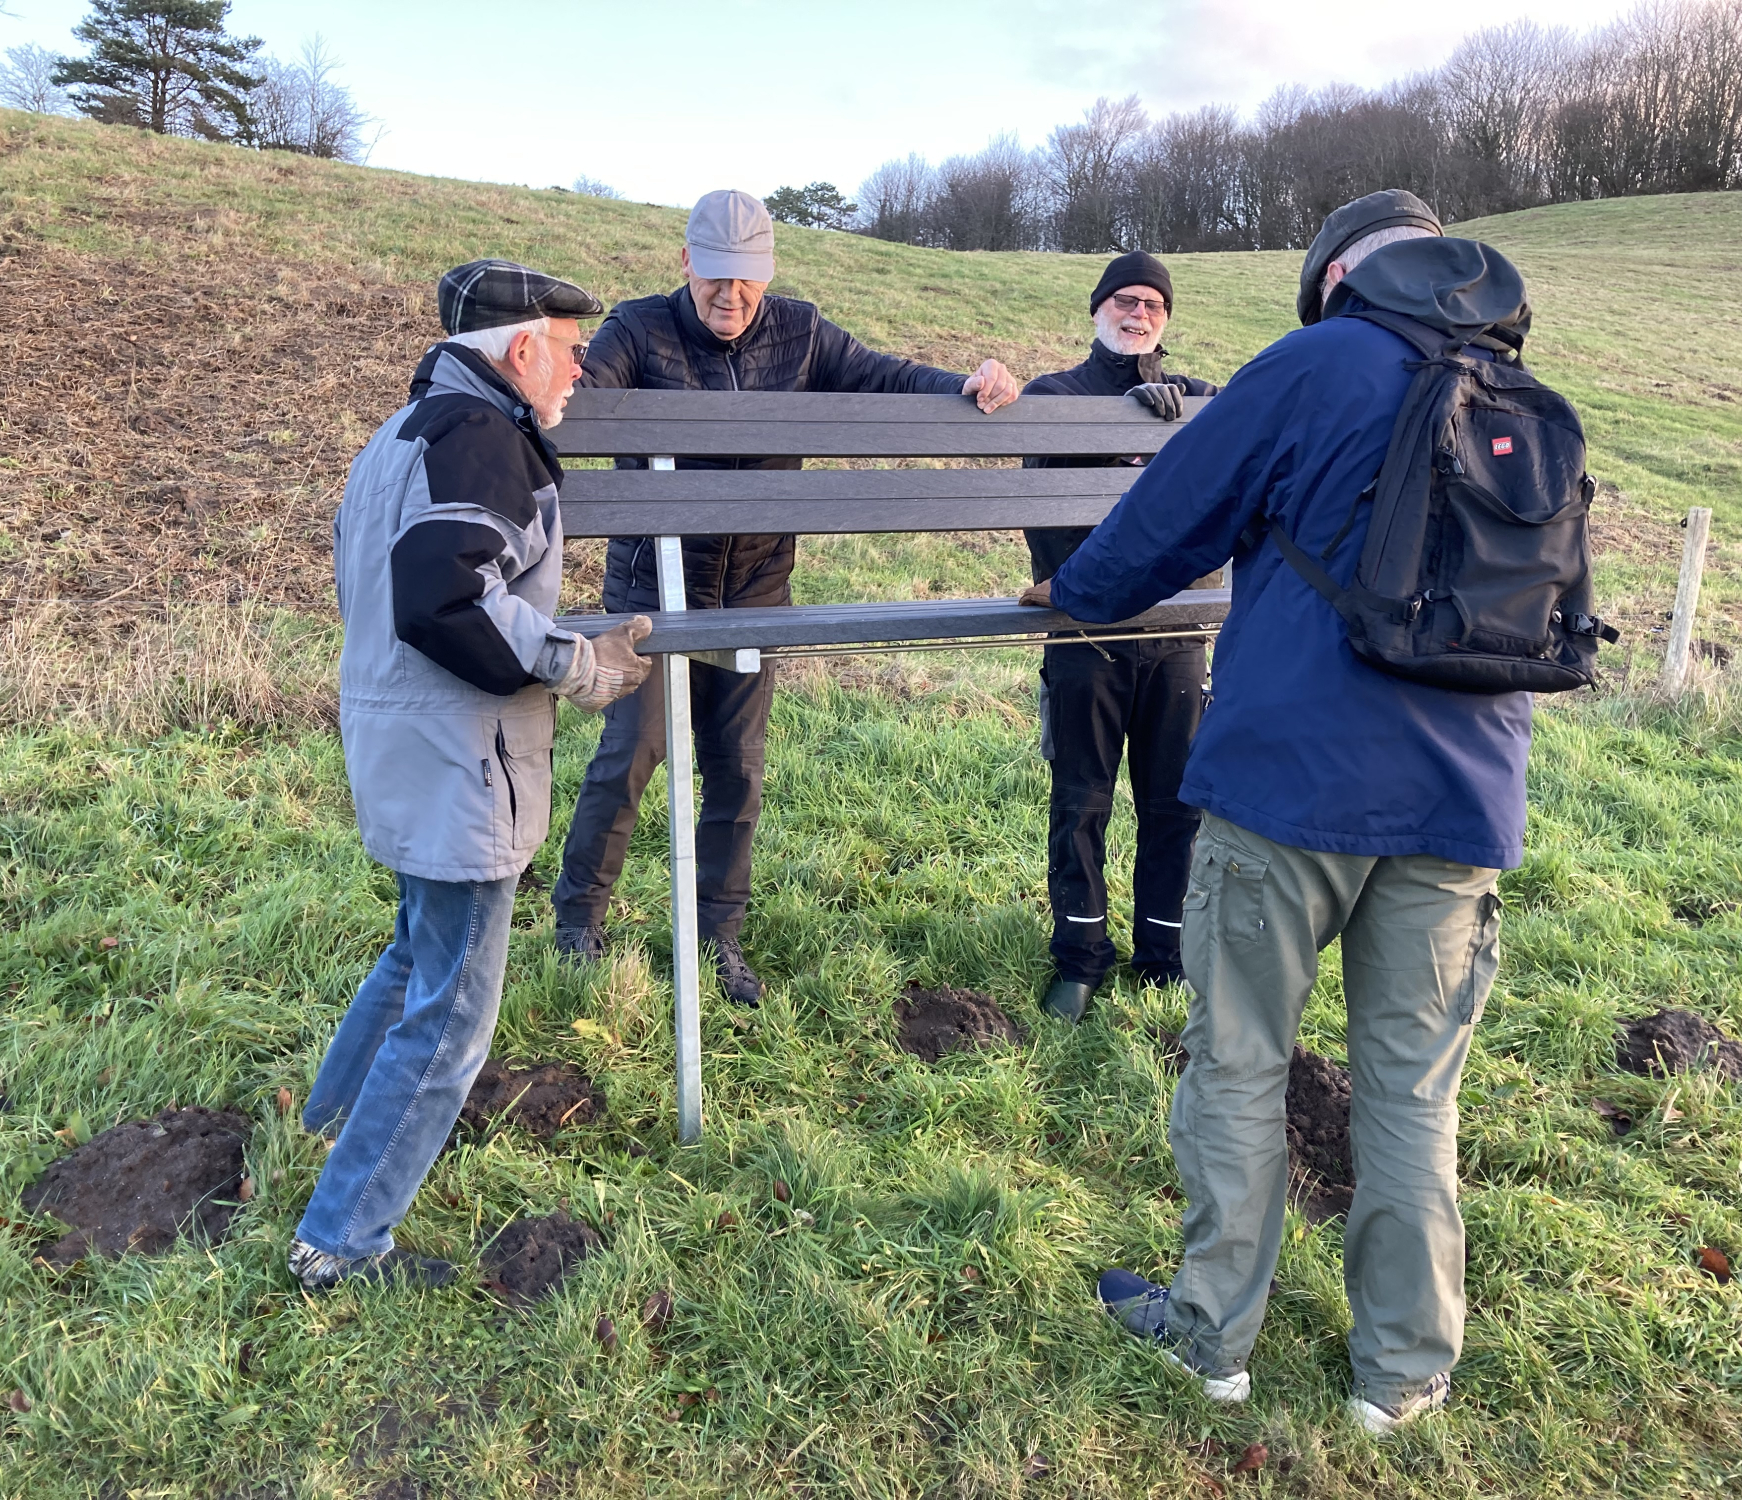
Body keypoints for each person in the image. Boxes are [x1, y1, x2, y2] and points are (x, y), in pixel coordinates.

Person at [1025, 190, 1527, 1435]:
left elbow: (1168, 514)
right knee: (1412, 1092)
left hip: (1291, 784)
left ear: (1340, 274)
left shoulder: (1316, 359)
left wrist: (1072, 591)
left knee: (1241, 1056)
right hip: (1462, 797)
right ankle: (1400, 1373)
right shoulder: (1506, 392)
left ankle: (1210, 1337)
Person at [551, 188, 1021, 1004]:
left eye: (748, 281)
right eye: (716, 278)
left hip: (755, 591)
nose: (731, 297)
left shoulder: (802, 332)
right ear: (687, 262)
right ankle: (577, 926)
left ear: (766, 275)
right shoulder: (638, 328)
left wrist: (969, 381)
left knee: (738, 768)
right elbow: (579, 400)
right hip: (650, 594)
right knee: (632, 754)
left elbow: (885, 378)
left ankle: (717, 936)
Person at [289, 260, 654, 1290]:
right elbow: (444, 594)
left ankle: (325, 1127)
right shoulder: (483, 437)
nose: (580, 368)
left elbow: (391, 590)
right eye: (568, 347)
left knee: (415, 954)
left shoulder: (399, 435)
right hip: (461, 754)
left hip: (401, 737)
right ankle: (340, 1242)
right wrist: (576, 665)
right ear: (520, 347)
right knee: (453, 1016)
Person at [1019, 251, 1221, 1024]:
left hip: (1176, 634)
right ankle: (1079, 956)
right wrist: (1118, 430)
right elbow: (1049, 512)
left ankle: (1164, 957)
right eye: (1125, 302)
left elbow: (1240, 452)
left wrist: (1181, 423)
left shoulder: (1199, 400)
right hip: (1085, 635)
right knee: (1080, 801)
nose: (1139, 316)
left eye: (1154, 307)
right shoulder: (1055, 396)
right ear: (1097, 309)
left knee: (1176, 806)